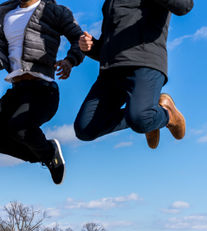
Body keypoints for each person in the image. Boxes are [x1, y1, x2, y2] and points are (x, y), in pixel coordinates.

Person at [74, 0, 193, 149]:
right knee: (85, 128)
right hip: (111, 71)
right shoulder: (109, 3)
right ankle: (151, 113)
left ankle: (167, 115)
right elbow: (108, 44)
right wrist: (91, 47)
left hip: (144, 62)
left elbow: (185, 6)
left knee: (140, 118)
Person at [0, 0, 84, 184]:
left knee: (19, 127)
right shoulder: (5, 13)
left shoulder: (54, 11)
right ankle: (46, 155)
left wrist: (70, 61)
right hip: (16, 90)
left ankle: (48, 153)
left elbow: (79, 39)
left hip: (42, 90)